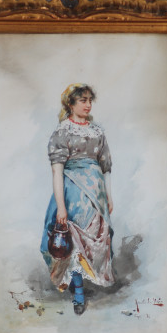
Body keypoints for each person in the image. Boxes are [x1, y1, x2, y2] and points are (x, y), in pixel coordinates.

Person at [40, 83, 115, 315]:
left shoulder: (97, 132)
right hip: (72, 193)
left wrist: (108, 195)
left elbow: (105, 167)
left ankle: (81, 281)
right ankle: (79, 293)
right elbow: (57, 171)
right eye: (83, 100)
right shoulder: (62, 132)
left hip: (96, 195)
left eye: (90, 100)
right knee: (73, 242)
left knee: (97, 239)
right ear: (71, 104)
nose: (88, 104)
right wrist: (61, 206)